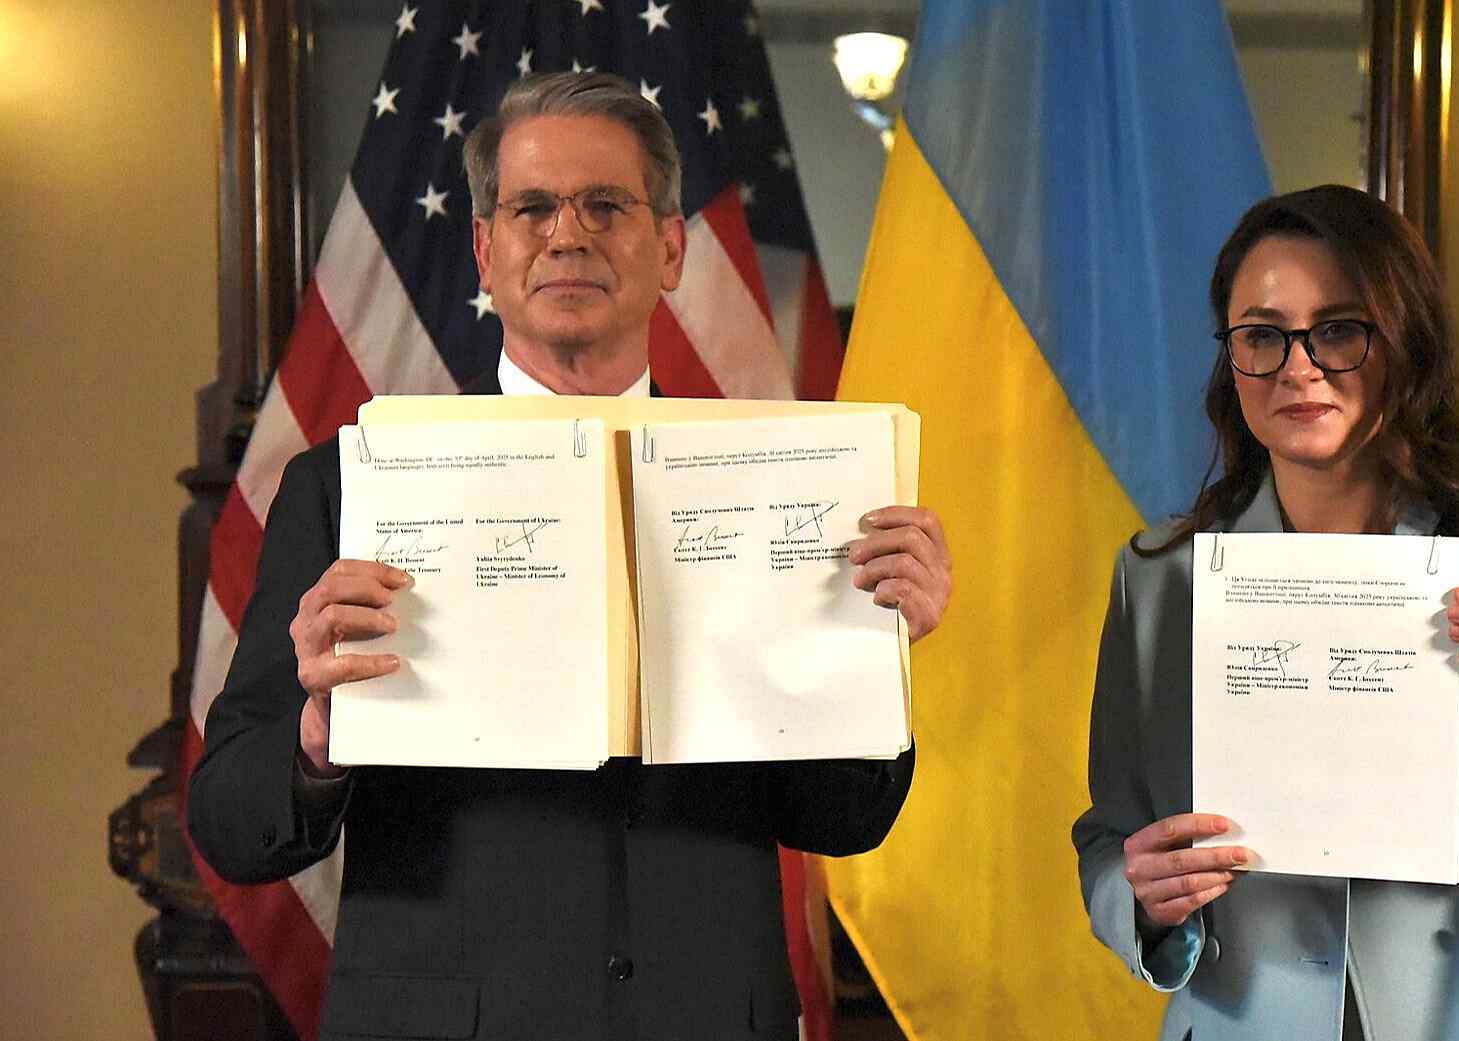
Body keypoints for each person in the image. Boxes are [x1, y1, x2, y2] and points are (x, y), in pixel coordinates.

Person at [189, 72, 952, 1041]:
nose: (567, 236)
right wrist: (316, 733)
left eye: (605, 206)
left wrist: (873, 651)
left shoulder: (782, 483)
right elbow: (230, 825)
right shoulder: (346, 486)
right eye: (533, 208)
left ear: (670, 247)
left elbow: (840, 819)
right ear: (484, 249)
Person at [1071, 185, 1459, 1041]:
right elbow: (1109, 838)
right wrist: (1138, 899)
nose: (1297, 367)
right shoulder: (1159, 576)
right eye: (1261, 334)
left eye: (1338, 329)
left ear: (1403, 340)